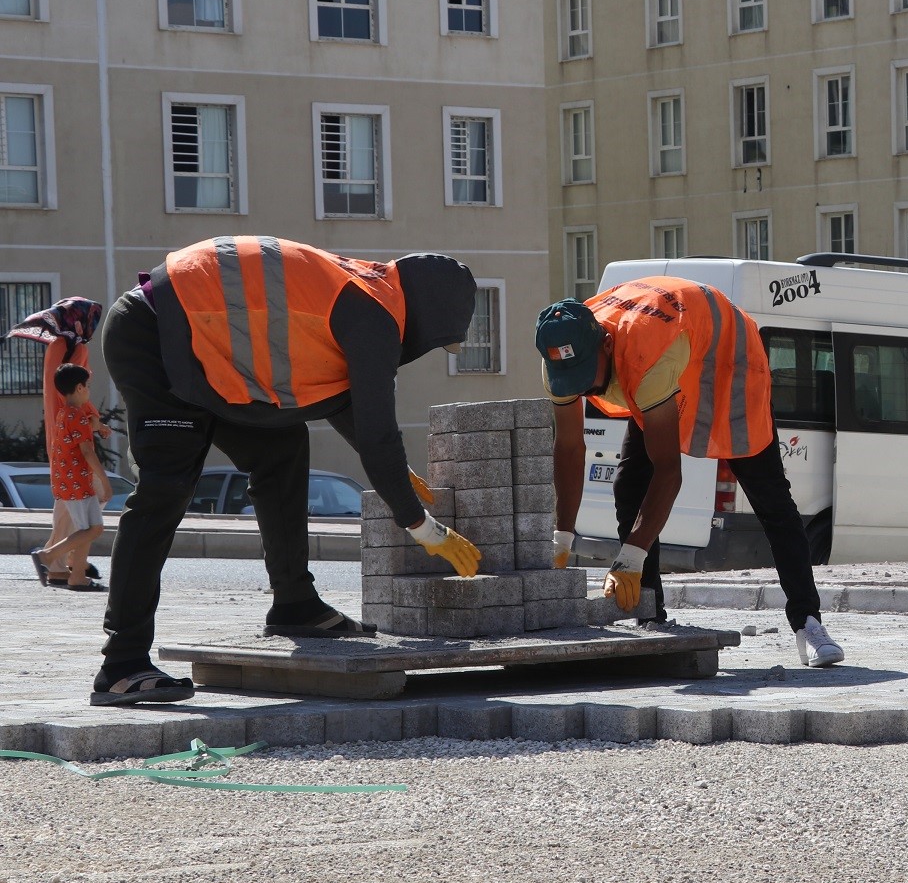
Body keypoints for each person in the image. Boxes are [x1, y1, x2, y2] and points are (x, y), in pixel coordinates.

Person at [90, 237, 484, 707]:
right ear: (430, 317)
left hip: (209, 351)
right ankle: (122, 664)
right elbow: (377, 427)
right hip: (155, 333)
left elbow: (344, 399)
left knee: (283, 447)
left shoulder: (371, 290)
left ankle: (295, 604)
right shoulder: (376, 314)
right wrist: (419, 524)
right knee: (164, 491)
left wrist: (394, 469)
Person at [535, 278, 846, 668]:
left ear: (607, 344)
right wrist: (561, 537)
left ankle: (809, 624)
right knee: (629, 485)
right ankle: (647, 616)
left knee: (771, 499)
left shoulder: (646, 357)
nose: (580, 389)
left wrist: (629, 558)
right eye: (571, 380)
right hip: (673, 346)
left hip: (728, 356)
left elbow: (669, 471)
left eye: (585, 375)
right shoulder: (560, 352)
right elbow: (569, 447)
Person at [6, 297, 104, 586]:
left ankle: (67, 562)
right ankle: (60, 560)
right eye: (89, 318)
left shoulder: (61, 346)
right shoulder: (70, 347)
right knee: (73, 504)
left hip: (61, 434)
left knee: (67, 505)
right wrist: (94, 420)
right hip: (72, 435)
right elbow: (71, 394)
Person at [32, 364, 111, 592]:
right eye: (87, 386)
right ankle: (48, 556)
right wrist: (105, 481)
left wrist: (98, 425)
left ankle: (76, 575)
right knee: (89, 529)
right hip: (77, 482)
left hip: (70, 480)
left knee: (91, 528)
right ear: (79, 387)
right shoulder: (76, 415)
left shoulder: (65, 413)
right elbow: (87, 452)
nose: (88, 390)